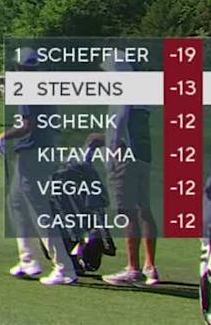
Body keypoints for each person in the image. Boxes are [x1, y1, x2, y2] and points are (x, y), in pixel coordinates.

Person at [0, 48, 79, 286]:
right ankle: (28, 260)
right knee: (16, 203)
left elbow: (27, 126)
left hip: (32, 153)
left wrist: (3, 136)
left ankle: (64, 267)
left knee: (38, 209)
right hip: (41, 150)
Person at [90, 58, 158, 287]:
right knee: (143, 209)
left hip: (124, 157)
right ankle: (150, 266)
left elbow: (118, 124)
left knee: (127, 211)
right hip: (143, 155)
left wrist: (109, 154)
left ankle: (133, 268)